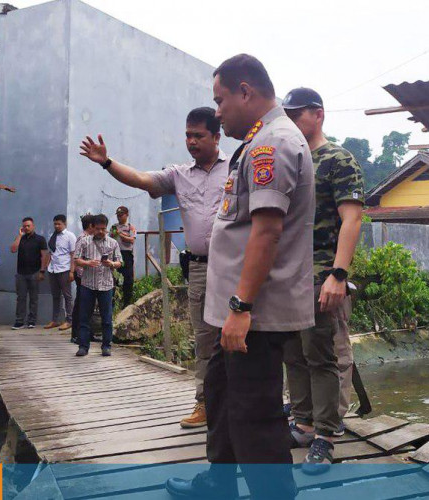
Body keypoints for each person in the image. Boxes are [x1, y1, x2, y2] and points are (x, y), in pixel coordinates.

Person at [166, 54, 315, 499]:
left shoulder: (274, 144)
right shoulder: (258, 141)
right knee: (222, 394)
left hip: (254, 311)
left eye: (221, 100)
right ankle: (218, 481)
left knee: (255, 411)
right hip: (235, 309)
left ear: (245, 92)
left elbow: (267, 231)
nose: (217, 112)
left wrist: (241, 308)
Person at [80, 107, 229, 428]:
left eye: (198, 136)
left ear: (217, 137)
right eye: (187, 135)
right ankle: (204, 405)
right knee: (205, 340)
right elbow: (141, 178)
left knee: (242, 337)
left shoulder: (237, 168)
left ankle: (242, 407)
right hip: (201, 268)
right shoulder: (179, 174)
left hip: (234, 267)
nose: (191, 142)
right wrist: (107, 163)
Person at [282, 87, 364, 470]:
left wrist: (338, 274)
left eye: (298, 114)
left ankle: (326, 436)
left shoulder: (337, 159)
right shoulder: (292, 159)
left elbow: (352, 218)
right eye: (288, 114)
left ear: (318, 114)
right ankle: (302, 423)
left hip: (320, 273)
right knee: (293, 354)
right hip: (288, 276)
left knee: (321, 355)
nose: (293, 120)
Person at [73, 213, 122, 357]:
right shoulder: (84, 241)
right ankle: (83, 346)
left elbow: (120, 262)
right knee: (84, 317)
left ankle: (106, 346)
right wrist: (87, 263)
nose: (101, 231)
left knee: (106, 318)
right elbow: (76, 259)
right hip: (88, 284)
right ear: (93, 227)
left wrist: (111, 263)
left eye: (103, 229)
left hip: (106, 285)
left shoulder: (113, 243)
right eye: (98, 228)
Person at [10, 217, 48, 329]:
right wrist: (20, 236)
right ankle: (19, 321)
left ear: (33, 226)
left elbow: (44, 256)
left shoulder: (40, 239)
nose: (26, 228)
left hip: (34, 272)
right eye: (24, 226)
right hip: (21, 273)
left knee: (33, 298)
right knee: (20, 298)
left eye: (28, 226)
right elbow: (13, 249)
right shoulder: (20, 238)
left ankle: (31, 321)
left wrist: (42, 271)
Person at [44, 214, 77, 331]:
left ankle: (69, 320)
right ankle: (55, 320)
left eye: (59, 224)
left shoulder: (70, 236)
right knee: (55, 296)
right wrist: (45, 267)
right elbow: (50, 253)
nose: (57, 226)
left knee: (67, 296)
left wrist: (72, 271)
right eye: (55, 224)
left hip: (64, 268)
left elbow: (73, 254)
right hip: (52, 268)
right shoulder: (52, 235)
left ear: (65, 224)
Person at [72, 213, 97, 344]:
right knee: (81, 305)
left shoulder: (92, 238)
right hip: (82, 275)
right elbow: (77, 258)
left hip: (88, 275)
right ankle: (76, 334)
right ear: (91, 226)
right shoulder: (82, 238)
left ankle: (89, 333)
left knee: (89, 305)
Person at [111, 206, 136, 307]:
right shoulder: (114, 226)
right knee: (114, 277)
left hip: (126, 254)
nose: (119, 217)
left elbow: (131, 240)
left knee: (128, 278)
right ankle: (113, 301)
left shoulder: (130, 227)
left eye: (121, 215)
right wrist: (114, 233)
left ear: (127, 215)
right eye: (118, 215)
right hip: (116, 254)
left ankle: (127, 302)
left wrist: (120, 234)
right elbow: (110, 239)